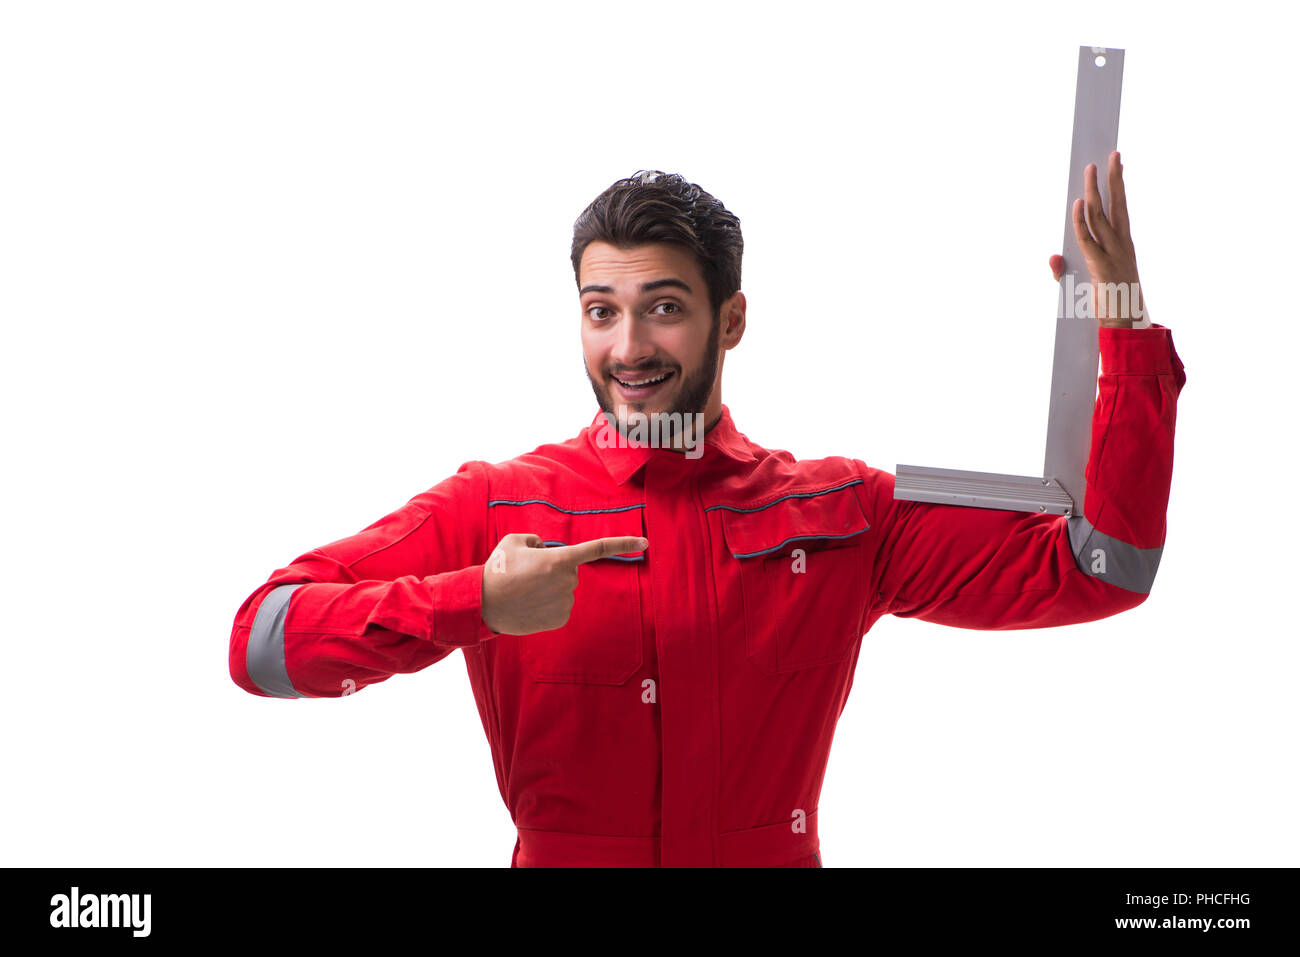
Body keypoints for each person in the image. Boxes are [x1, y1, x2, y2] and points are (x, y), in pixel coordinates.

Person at [229, 158, 1185, 867]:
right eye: (601, 310)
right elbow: (263, 640)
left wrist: (1125, 323)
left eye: (665, 308)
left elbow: (1102, 567)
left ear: (730, 319)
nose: (630, 344)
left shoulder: (843, 513)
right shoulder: (500, 505)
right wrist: (471, 600)